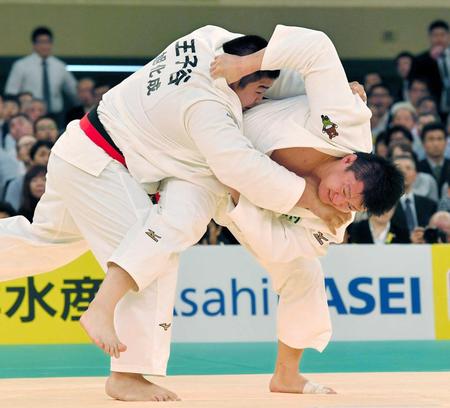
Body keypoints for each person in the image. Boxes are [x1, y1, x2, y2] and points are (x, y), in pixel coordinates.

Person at [0, 25, 345, 402]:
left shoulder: (207, 39)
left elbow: (275, 70)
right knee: (153, 254)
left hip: (79, 149)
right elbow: (240, 167)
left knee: (45, 240)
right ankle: (128, 374)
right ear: (239, 74)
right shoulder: (207, 107)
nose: (257, 102)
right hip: (103, 164)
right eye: (258, 92)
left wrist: (329, 94)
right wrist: (309, 198)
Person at [4, 26, 78, 123]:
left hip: (56, 115)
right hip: (30, 115)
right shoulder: (21, 65)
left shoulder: (60, 66)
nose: (45, 46)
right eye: (41, 42)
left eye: (48, 42)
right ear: (34, 44)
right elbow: (11, 92)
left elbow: (74, 91)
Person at [391, 155, 437, 243]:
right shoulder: (386, 205)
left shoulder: (429, 205)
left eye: (408, 168)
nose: (403, 172)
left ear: (415, 175)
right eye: (399, 168)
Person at [409, 20, 450, 116]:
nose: (439, 39)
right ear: (430, 37)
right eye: (435, 35)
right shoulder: (421, 60)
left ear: (448, 36)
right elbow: (416, 82)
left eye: (442, 35)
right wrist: (431, 60)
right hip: (433, 105)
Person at [417, 122, 450, 197]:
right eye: (431, 139)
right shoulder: (416, 168)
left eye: (440, 139)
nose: (436, 144)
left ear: (446, 142)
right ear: (423, 143)